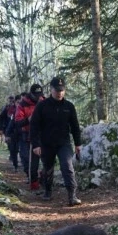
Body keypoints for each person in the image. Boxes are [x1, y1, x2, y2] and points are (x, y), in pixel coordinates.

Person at [30, 76, 82, 206]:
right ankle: (47, 191)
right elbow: (34, 126)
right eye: (57, 90)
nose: (59, 93)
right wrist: (36, 145)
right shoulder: (42, 106)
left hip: (64, 143)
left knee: (67, 166)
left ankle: (72, 195)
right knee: (48, 168)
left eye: (62, 90)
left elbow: (75, 126)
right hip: (46, 143)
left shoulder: (69, 106)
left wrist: (78, 144)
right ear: (51, 89)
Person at [14, 85, 45, 190]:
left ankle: (44, 180)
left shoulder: (44, 101)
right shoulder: (22, 104)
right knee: (31, 161)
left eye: (39, 95)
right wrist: (29, 119)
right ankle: (34, 183)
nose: (38, 97)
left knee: (48, 160)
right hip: (28, 135)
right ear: (31, 94)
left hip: (44, 135)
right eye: (36, 95)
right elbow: (17, 122)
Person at [0, 95, 19, 171]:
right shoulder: (6, 108)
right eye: (10, 101)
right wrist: (1, 128)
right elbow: (1, 117)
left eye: (12, 101)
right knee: (10, 145)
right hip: (7, 129)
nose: (11, 102)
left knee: (15, 147)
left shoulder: (17, 108)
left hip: (15, 130)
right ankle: (13, 156)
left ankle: (15, 160)